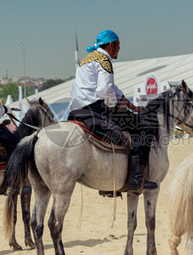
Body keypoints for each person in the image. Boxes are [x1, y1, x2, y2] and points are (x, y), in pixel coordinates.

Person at [67, 29, 159, 193]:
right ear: (111, 45)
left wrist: (130, 105)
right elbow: (105, 90)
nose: (119, 48)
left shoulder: (87, 60)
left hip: (78, 109)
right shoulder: (104, 60)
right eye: (118, 45)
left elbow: (112, 88)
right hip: (96, 107)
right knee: (145, 128)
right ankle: (137, 179)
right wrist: (116, 105)